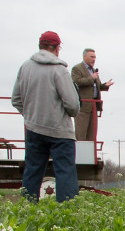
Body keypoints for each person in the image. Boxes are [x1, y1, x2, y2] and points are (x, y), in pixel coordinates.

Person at [12, 31, 80, 202]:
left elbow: (16, 99)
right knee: (65, 172)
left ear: (40, 46)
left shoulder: (25, 67)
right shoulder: (59, 70)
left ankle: (28, 211)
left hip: (34, 128)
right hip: (60, 132)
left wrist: (30, 115)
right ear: (57, 48)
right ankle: (66, 214)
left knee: (33, 170)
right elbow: (72, 105)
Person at [70, 48, 113, 141]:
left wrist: (105, 85)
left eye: (95, 57)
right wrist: (91, 78)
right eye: (92, 57)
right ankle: (81, 154)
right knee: (81, 135)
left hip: (93, 106)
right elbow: (76, 82)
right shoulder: (77, 69)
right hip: (83, 107)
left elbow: (96, 86)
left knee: (92, 136)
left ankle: (91, 154)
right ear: (84, 56)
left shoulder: (93, 71)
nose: (94, 59)